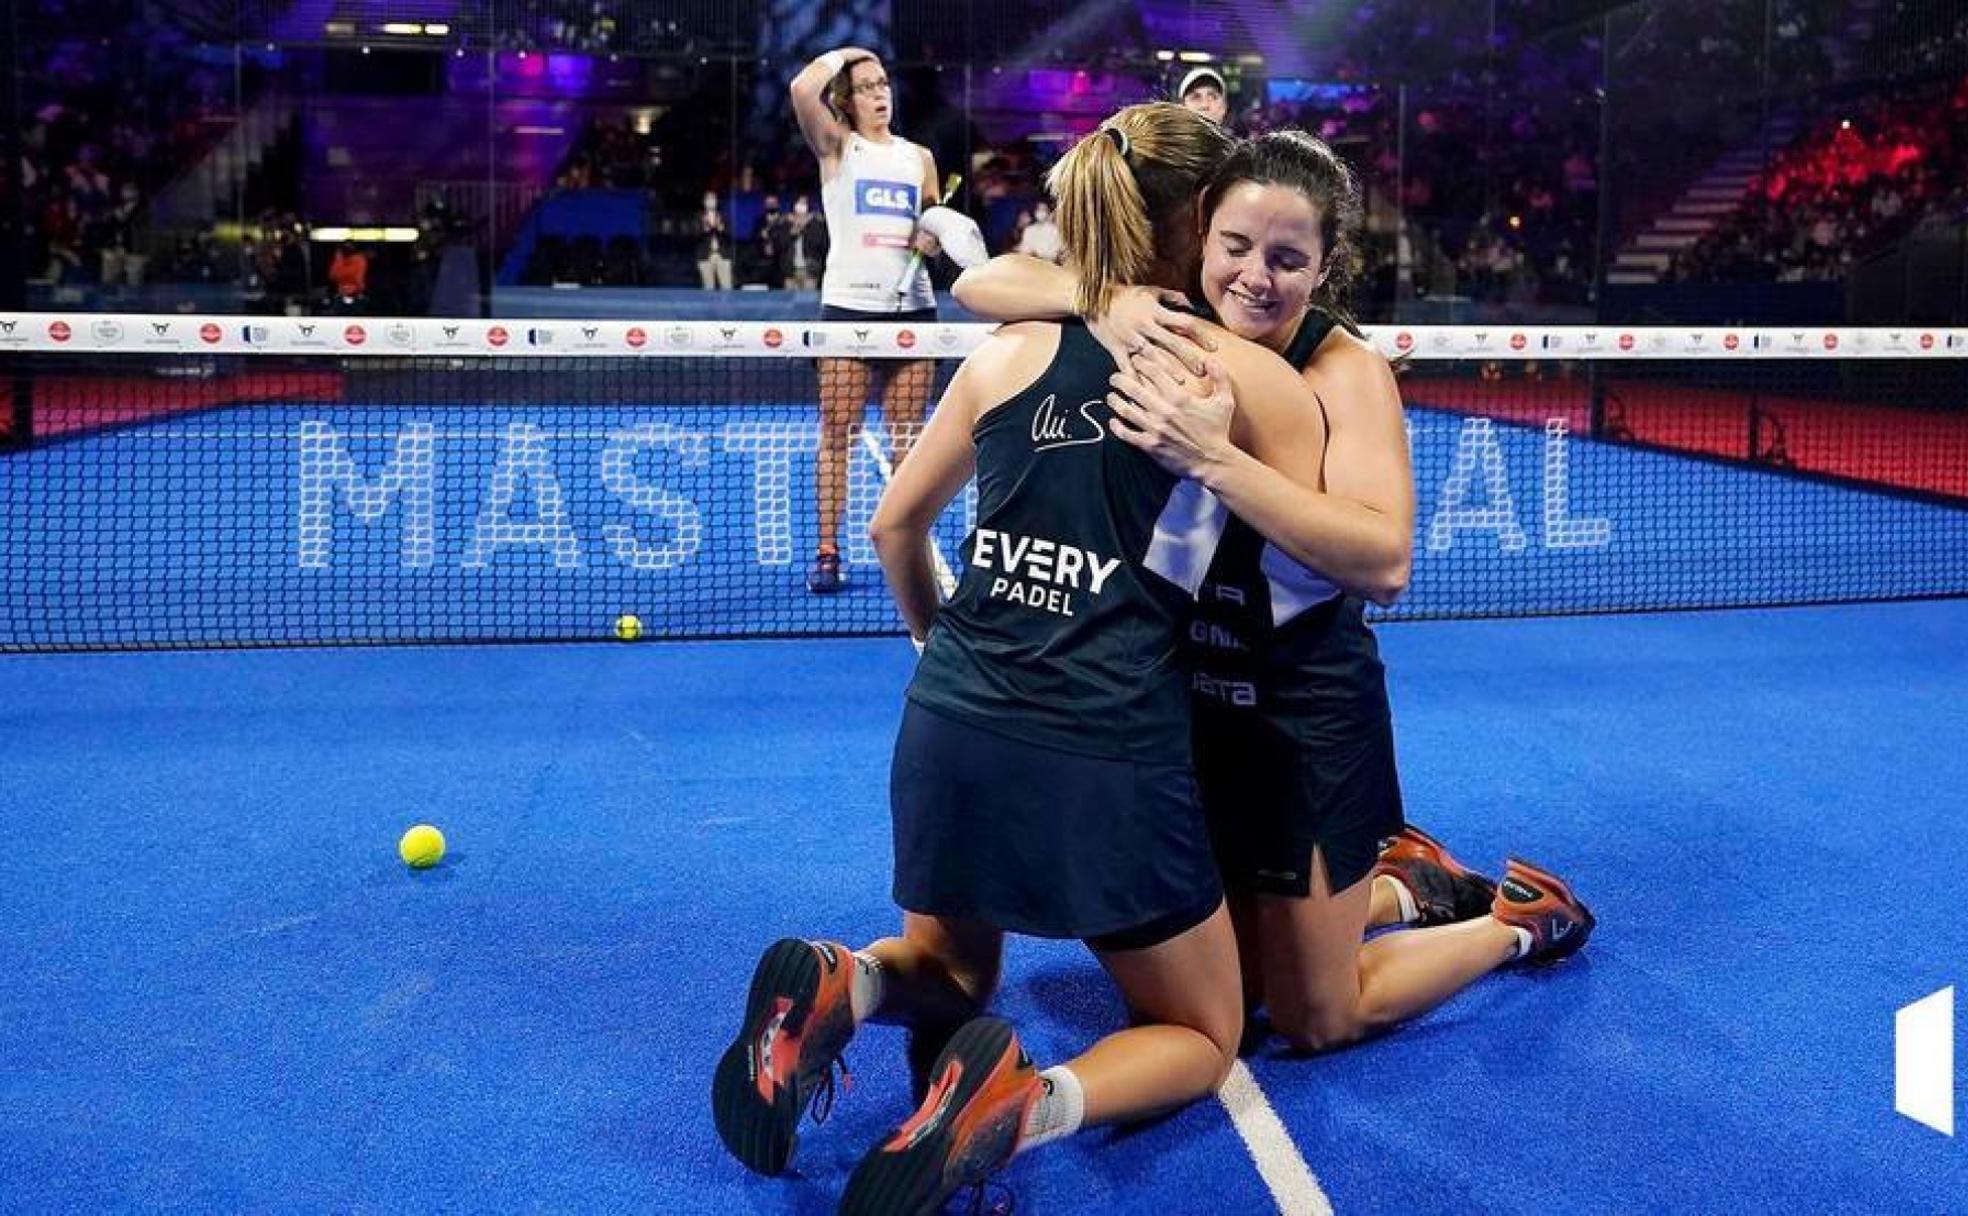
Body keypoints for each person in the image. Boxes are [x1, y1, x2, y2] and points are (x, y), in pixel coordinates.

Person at [711, 103, 1341, 1216]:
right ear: (1198, 219)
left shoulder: (1006, 350)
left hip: (951, 713)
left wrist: (934, 641)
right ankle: (1022, 1098)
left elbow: (895, 528)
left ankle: (840, 984)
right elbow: (1332, 567)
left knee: (954, 974)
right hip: (1108, 742)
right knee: (1205, 1029)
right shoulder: (1243, 375)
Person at [953, 130, 1594, 1055]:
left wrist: (1209, 458)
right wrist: (1109, 298)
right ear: (1201, 239)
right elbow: (982, 284)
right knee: (1228, 984)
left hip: (1305, 718)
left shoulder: (1345, 372)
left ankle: (1517, 923)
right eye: (1237, 248)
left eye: (1289, 260)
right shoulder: (1171, 315)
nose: (1257, 277)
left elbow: (1383, 563)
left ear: (1326, 267)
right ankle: (1401, 887)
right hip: (1190, 711)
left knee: (1312, 1016)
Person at [787, 46, 944, 595]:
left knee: (908, 437)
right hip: (849, 312)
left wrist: (934, 235)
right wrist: (850, 52)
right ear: (847, 102)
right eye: (868, 87)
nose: (881, 94)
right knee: (837, 435)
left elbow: (934, 223)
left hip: (912, 313)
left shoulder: (919, 156)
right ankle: (828, 551)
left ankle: (904, 545)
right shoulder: (836, 147)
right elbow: (802, 90)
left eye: (884, 84)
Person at [695, 192, 732, 290]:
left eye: (713, 199)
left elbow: (730, 234)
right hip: (705, 255)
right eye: (708, 199)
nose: (711, 202)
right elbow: (694, 235)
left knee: (726, 287)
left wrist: (722, 229)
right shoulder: (698, 217)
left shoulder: (723, 216)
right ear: (704, 202)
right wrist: (704, 229)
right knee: (708, 288)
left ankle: (727, 305)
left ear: (716, 202)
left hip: (722, 254)